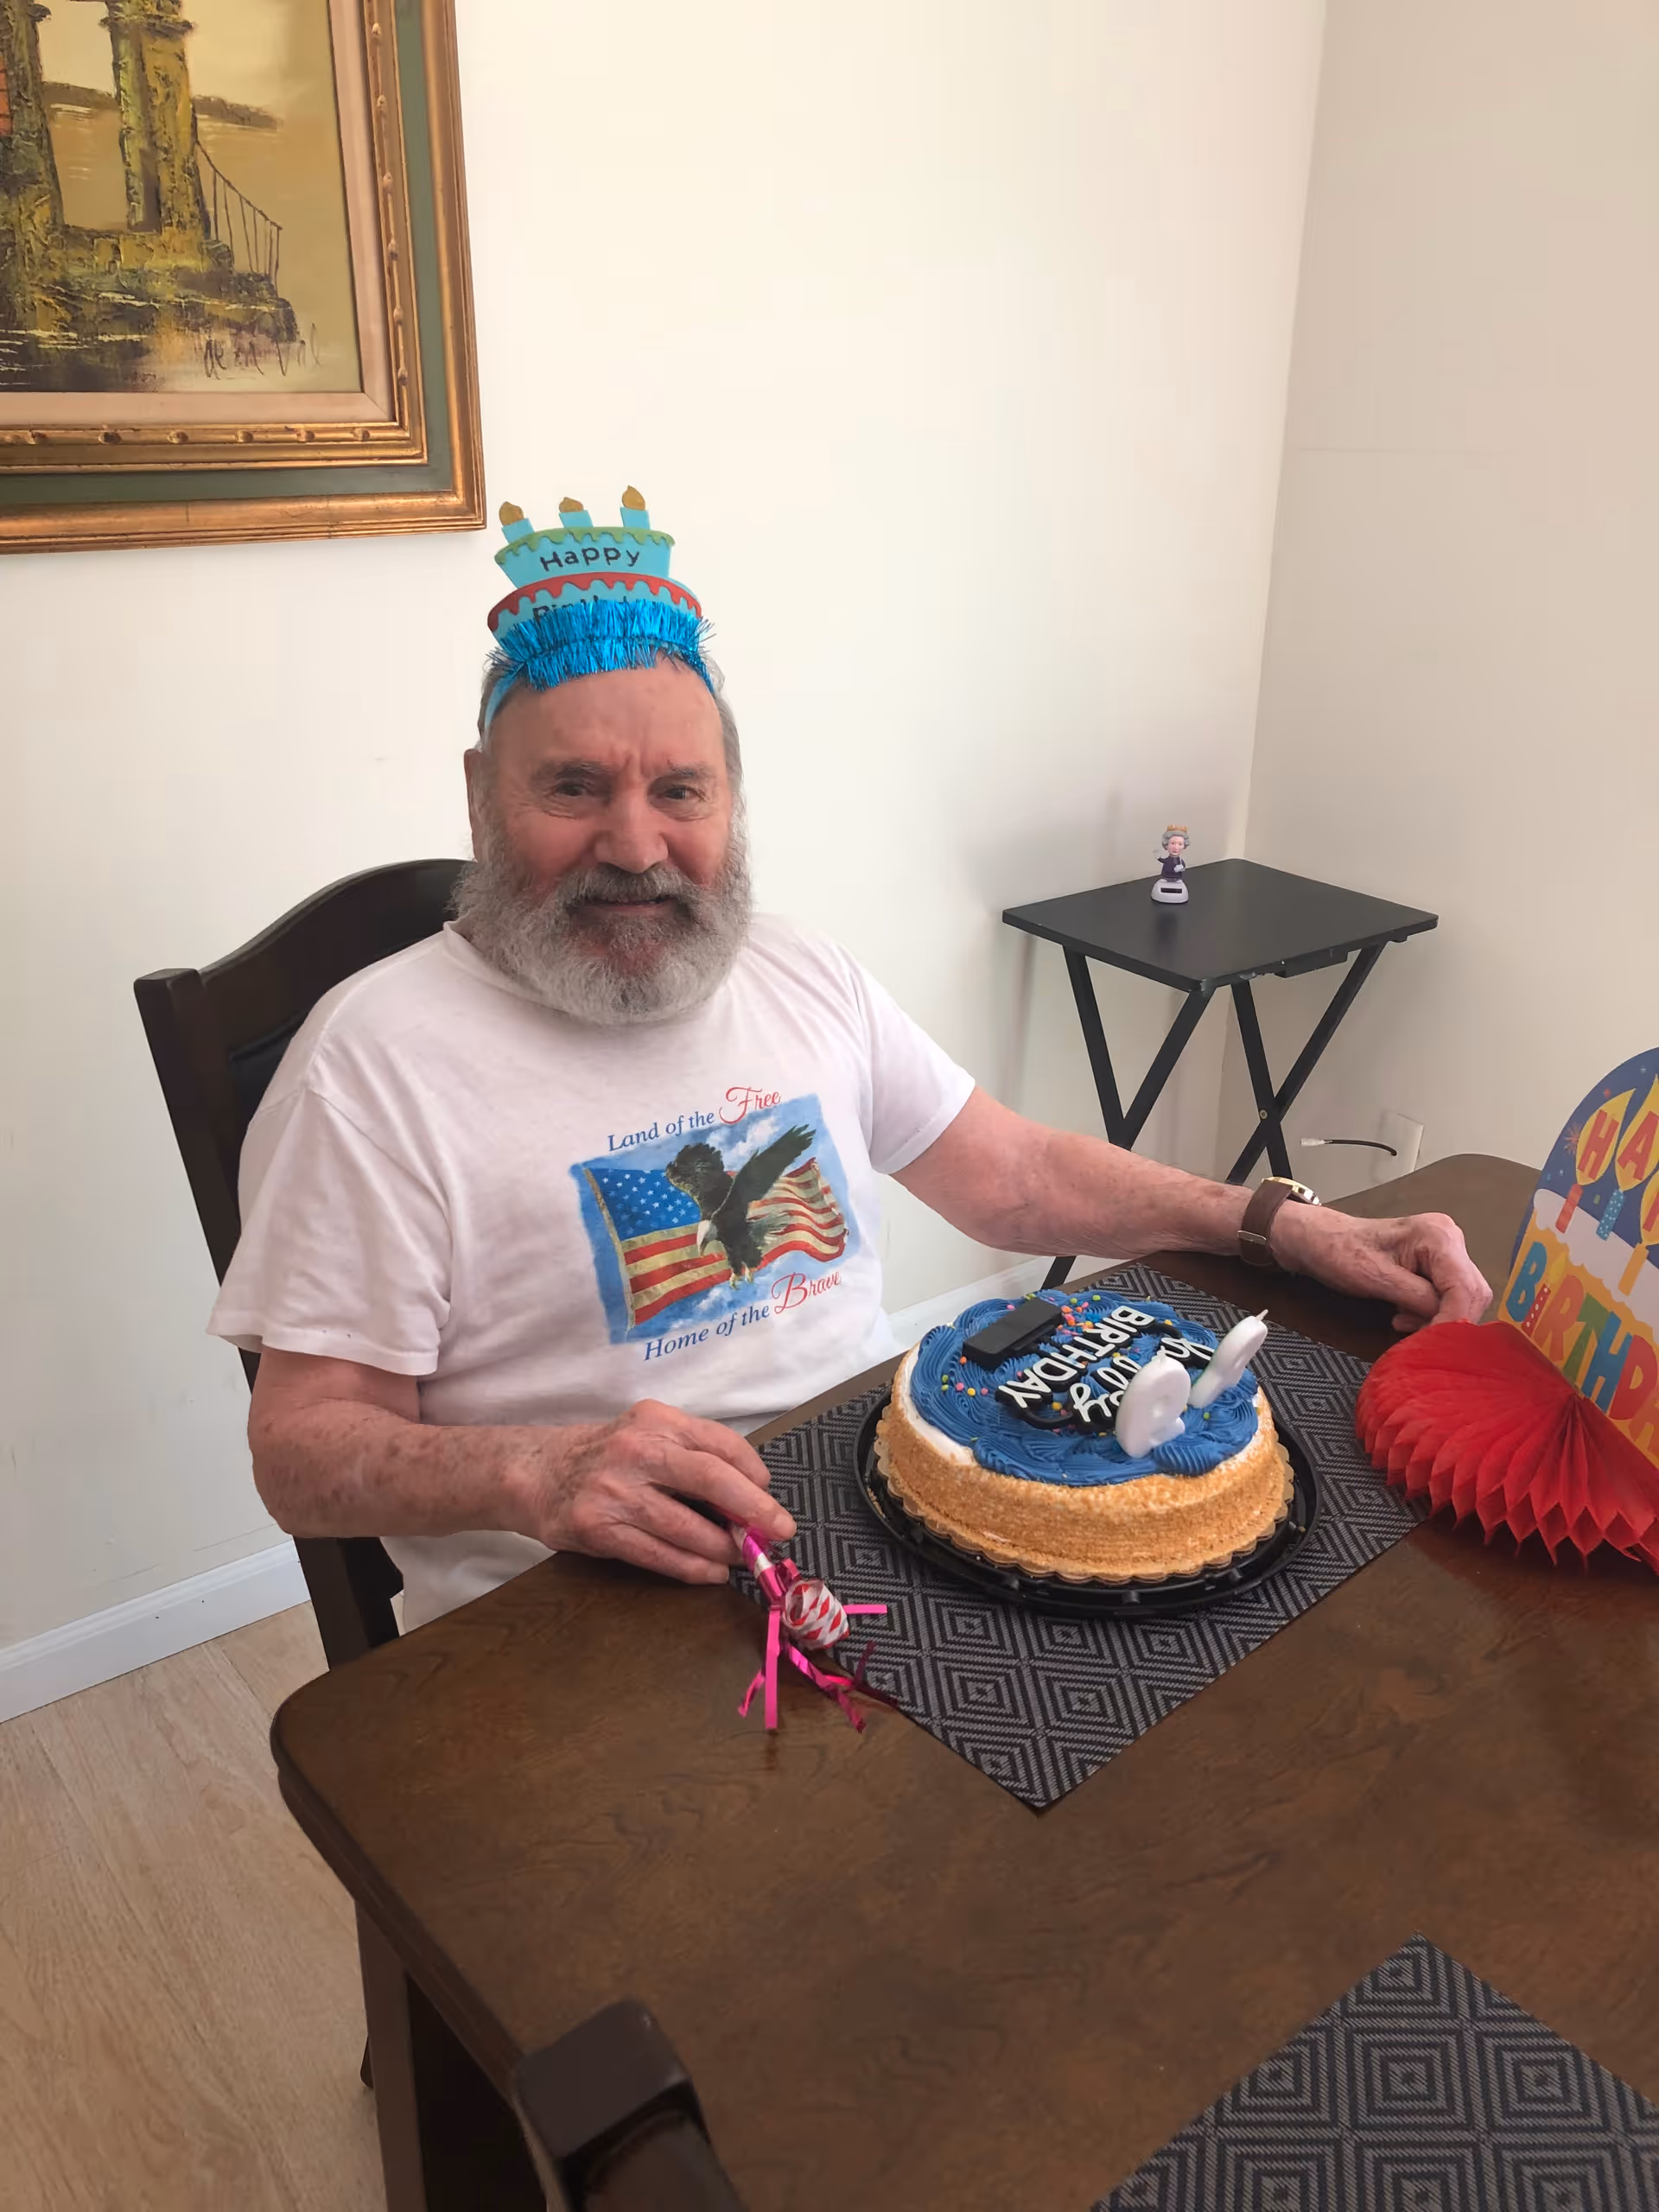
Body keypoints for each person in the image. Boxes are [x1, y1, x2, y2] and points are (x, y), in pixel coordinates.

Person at [212, 493, 1491, 1630]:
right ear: (484, 798)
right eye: (573, 789)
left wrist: (1272, 1221)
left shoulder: (798, 971)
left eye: (681, 791)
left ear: (734, 803)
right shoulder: (371, 1067)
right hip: (580, 1609)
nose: (638, 845)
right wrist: (534, 1473)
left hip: (882, 1509)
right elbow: (302, 1449)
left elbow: (1018, 1181)